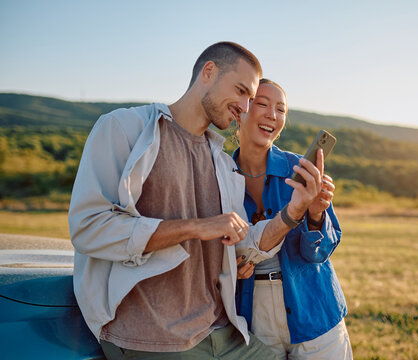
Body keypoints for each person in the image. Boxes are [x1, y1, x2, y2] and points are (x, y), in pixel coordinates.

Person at [68, 42, 324, 360]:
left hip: (222, 333)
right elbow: (88, 227)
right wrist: (197, 227)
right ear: (208, 72)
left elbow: (244, 243)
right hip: (150, 338)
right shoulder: (124, 128)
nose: (246, 107)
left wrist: (295, 210)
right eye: (241, 91)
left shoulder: (224, 164)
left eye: (250, 98)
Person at [234, 79, 353, 359]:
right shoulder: (220, 175)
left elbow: (321, 252)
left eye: (281, 109)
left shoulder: (300, 168)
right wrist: (229, 264)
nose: (272, 115)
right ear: (240, 109)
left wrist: (315, 214)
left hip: (314, 309)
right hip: (253, 318)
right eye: (261, 103)